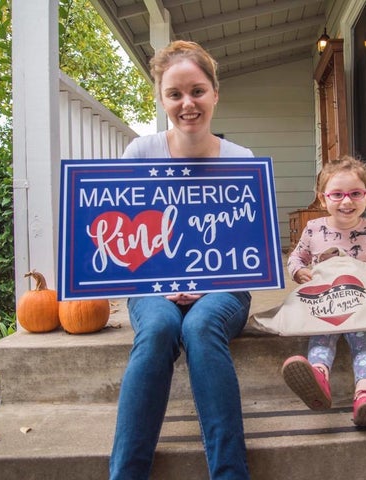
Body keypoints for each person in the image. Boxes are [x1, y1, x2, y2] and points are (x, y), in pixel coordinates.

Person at [109, 40, 253, 480]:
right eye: (175, 94)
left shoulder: (242, 160)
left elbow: (248, 250)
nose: (187, 103)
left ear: (214, 93)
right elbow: (125, 243)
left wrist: (209, 283)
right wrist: (159, 282)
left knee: (200, 325)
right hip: (153, 287)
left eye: (197, 91)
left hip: (221, 289)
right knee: (158, 328)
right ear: (162, 99)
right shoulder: (140, 154)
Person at [281, 155, 366, 427]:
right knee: (322, 336)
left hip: (361, 301)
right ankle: (317, 378)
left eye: (355, 194)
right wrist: (297, 272)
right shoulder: (314, 229)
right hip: (325, 299)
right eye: (337, 194)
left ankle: (365, 394)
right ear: (323, 199)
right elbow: (296, 258)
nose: (346, 201)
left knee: (364, 343)